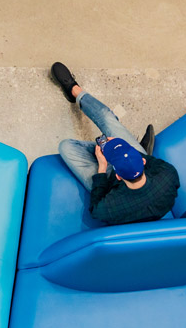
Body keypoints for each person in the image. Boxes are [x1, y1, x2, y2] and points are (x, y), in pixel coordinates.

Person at [50, 61, 178, 226]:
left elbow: (95, 208)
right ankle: (75, 91)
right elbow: (157, 169)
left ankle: (102, 153)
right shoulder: (169, 175)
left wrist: (102, 167)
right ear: (143, 160)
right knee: (107, 119)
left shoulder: (109, 207)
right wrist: (116, 147)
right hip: (140, 182)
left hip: (109, 186)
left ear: (117, 174)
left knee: (65, 146)